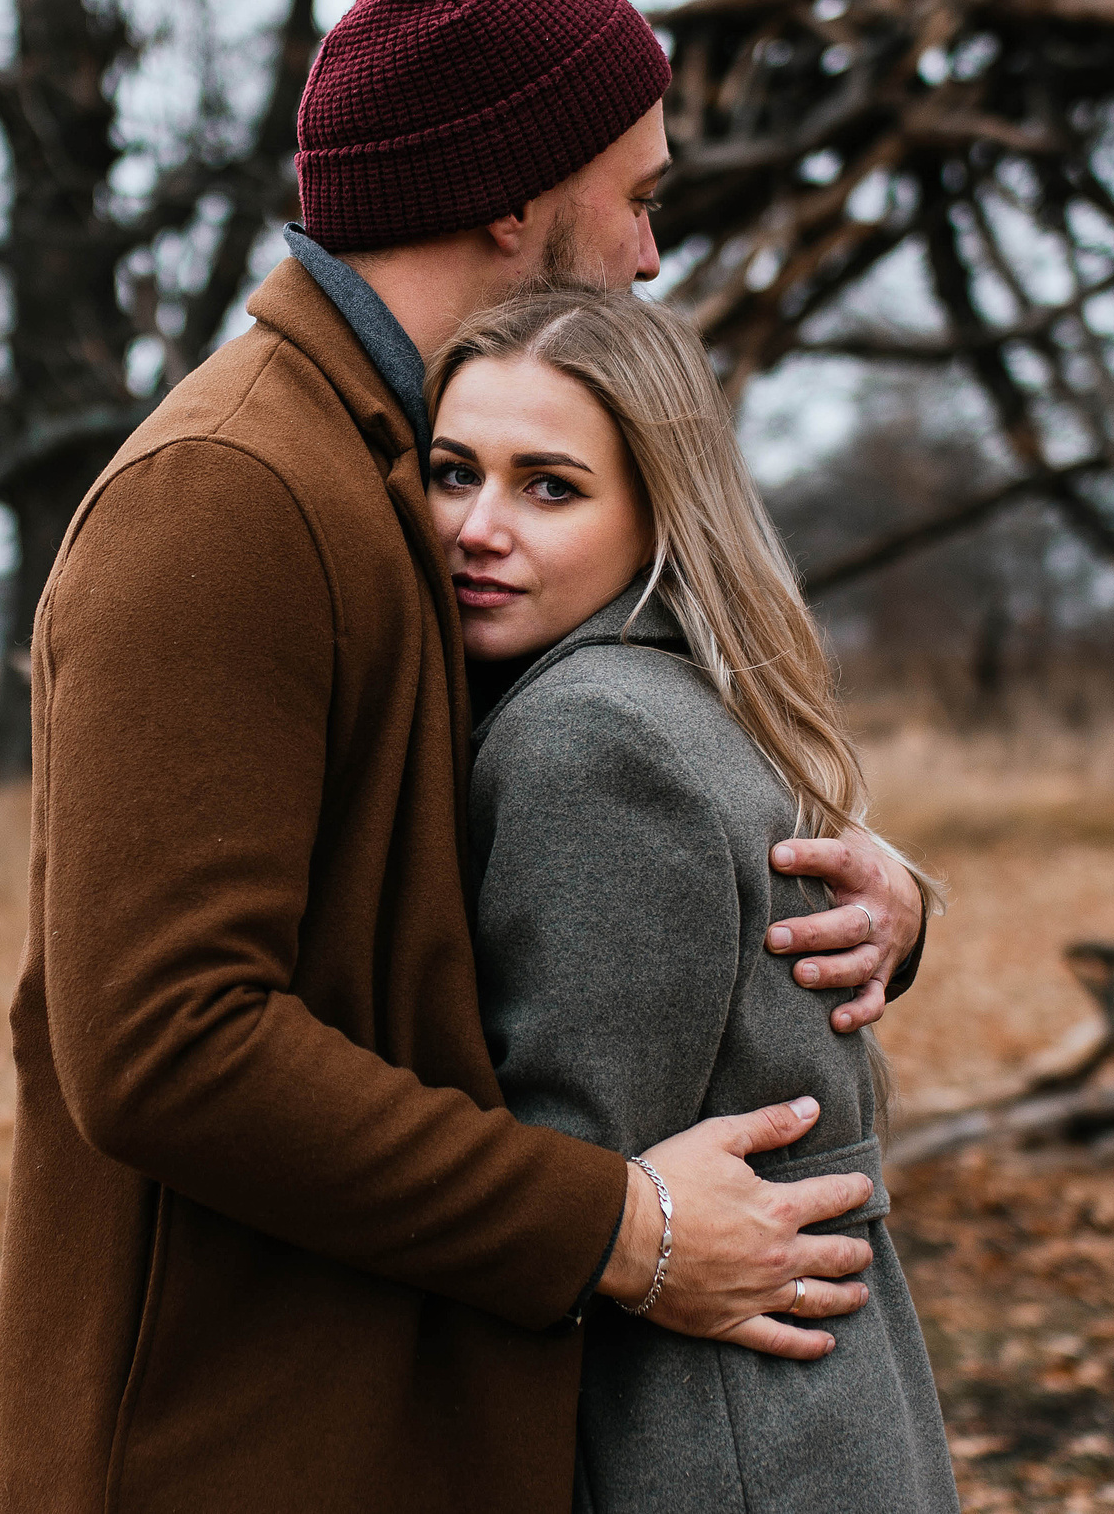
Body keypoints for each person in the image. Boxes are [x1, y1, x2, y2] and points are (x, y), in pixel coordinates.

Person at [0, 0, 932, 1514]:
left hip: (372, 1408)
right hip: (230, 1438)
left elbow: (538, 808)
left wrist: (846, 887)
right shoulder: (227, 492)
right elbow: (165, 1040)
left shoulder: (406, 466)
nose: (646, 252)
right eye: (636, 194)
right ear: (513, 196)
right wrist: (617, 1227)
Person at [431, 286, 960, 1514]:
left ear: (656, 509)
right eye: (454, 472)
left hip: (704, 1437)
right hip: (811, 1422)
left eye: (549, 487)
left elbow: (574, 1164)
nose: (478, 527)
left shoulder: (586, 736)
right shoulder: (685, 696)